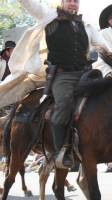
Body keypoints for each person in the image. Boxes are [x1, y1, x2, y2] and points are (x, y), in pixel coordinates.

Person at [9, 0, 104, 168]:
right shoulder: (50, 16)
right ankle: (62, 151)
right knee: (64, 104)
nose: (73, 4)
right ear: (62, 2)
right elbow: (31, 5)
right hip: (63, 76)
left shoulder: (86, 25)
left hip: (85, 74)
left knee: (107, 95)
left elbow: (104, 45)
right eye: (69, 0)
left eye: (76, 1)